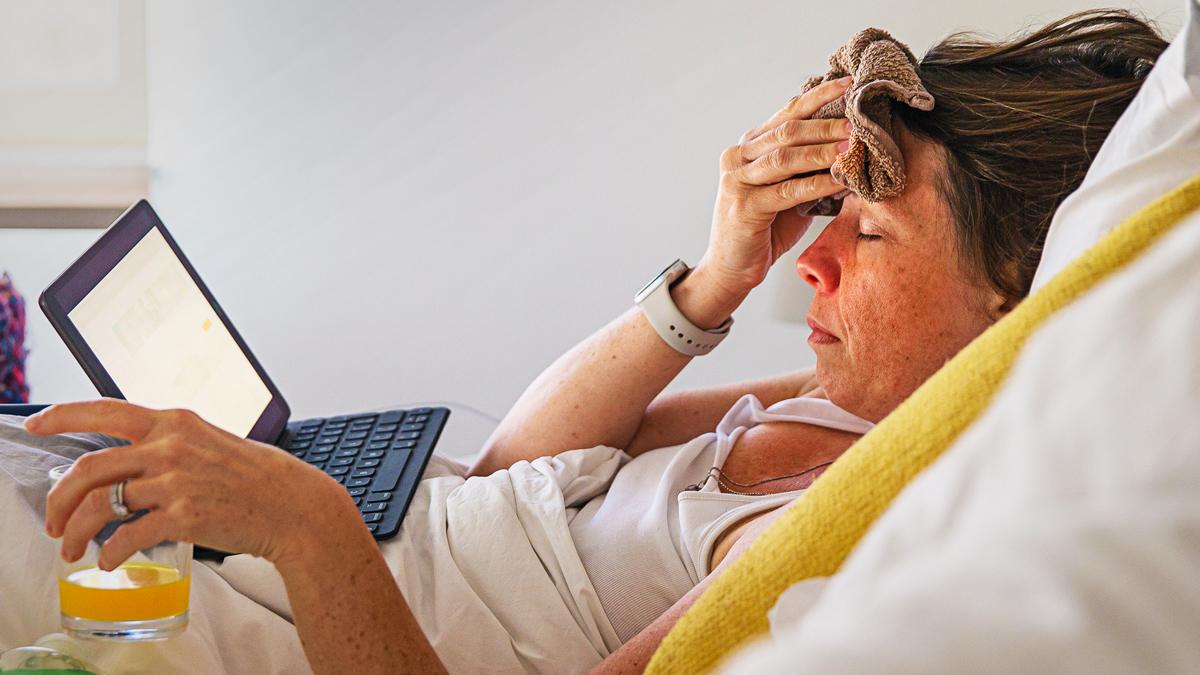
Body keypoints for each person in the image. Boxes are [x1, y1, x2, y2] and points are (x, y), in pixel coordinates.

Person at [7, 9, 1166, 674]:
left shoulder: (852, 533)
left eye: (868, 230)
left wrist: (301, 520)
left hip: (315, 628)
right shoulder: (843, 402)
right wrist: (712, 282)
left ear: (1011, 299)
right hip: (337, 551)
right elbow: (519, 471)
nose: (812, 259)